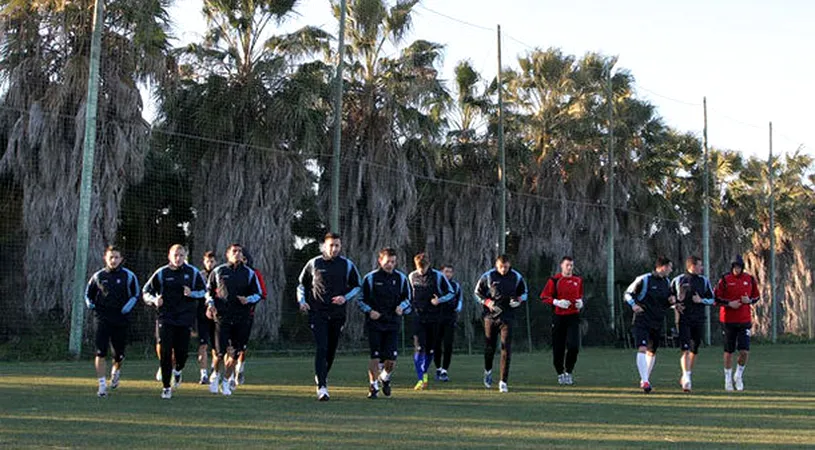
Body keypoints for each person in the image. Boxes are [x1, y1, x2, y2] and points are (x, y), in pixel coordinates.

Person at [297, 233, 362, 401]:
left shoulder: (347, 265)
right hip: (317, 312)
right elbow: (301, 284)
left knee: (331, 349)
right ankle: (322, 387)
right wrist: (302, 301)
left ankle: (322, 375)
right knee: (322, 346)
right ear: (324, 246)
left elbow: (357, 285)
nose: (334, 248)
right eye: (331, 245)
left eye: (337, 246)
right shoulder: (314, 263)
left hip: (337, 314)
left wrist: (344, 297)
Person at [143, 244, 207, 399]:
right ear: (169, 256)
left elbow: (204, 291)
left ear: (185, 256)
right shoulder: (161, 273)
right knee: (165, 352)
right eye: (175, 255)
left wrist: (192, 293)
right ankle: (166, 387)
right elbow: (146, 291)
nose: (178, 258)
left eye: (181, 255)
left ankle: (178, 370)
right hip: (165, 317)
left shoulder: (192, 272)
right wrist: (154, 300)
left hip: (184, 318)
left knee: (181, 354)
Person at [205, 243, 262, 396]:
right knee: (219, 353)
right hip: (222, 317)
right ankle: (215, 376)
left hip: (241, 318)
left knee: (235, 353)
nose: (237, 254)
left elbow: (259, 294)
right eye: (234, 251)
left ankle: (226, 380)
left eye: (240, 252)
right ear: (228, 254)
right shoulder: (218, 271)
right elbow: (208, 291)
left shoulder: (249, 273)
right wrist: (210, 304)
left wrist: (248, 299)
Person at [84, 246, 140, 397]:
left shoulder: (129, 276)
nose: (113, 260)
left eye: (116, 257)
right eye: (111, 257)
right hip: (102, 318)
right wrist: (90, 304)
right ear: (105, 258)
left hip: (121, 319)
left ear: (121, 259)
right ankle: (102, 385)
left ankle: (116, 369)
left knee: (119, 354)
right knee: (100, 352)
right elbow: (88, 294)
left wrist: (128, 306)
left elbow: (136, 293)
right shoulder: (98, 276)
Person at [358, 248, 411, 399]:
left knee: (391, 360)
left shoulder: (401, 279)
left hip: (392, 323)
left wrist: (402, 307)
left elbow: (408, 299)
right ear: (380, 261)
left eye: (393, 262)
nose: (390, 265)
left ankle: (385, 377)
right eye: (387, 261)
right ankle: (373, 386)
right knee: (375, 357)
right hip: (375, 324)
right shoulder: (370, 278)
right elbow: (360, 299)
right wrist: (370, 311)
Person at [474, 255, 528, 393]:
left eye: (505, 267)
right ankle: (488, 371)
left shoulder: (516, 277)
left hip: (508, 317)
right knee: (489, 348)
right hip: (490, 317)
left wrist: (519, 300)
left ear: (509, 265)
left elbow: (524, 293)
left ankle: (503, 381)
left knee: (506, 348)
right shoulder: (488, 276)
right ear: (496, 265)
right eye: (500, 267)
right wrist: (487, 302)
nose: (503, 269)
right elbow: (477, 293)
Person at [624, 256, 677, 394]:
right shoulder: (644, 279)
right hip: (642, 320)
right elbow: (628, 294)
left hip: (657, 321)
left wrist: (671, 301)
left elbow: (665, 301)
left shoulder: (667, 282)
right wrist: (634, 305)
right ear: (662, 267)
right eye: (670, 267)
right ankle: (645, 381)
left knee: (651, 351)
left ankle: (645, 378)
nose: (671, 270)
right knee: (642, 347)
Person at [408, 253, 454, 390]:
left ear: (429, 265)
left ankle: (425, 372)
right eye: (419, 268)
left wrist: (439, 300)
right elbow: (408, 294)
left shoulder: (438, 276)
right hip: (418, 317)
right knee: (419, 348)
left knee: (430, 349)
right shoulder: (412, 276)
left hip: (434, 318)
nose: (421, 270)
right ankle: (421, 378)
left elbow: (451, 292)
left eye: (424, 267)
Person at [714, 255, 760, 391]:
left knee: (744, 351)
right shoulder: (724, 280)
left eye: (739, 267)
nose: (737, 270)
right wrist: (729, 304)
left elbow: (756, 296)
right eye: (735, 267)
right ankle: (727, 379)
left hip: (744, 320)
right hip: (728, 321)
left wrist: (749, 301)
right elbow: (715, 299)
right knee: (729, 351)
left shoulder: (749, 279)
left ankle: (738, 375)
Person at [670, 255, 715, 392]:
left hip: (699, 319)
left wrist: (701, 300)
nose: (702, 268)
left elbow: (712, 299)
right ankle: (687, 378)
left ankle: (687, 373)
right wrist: (676, 305)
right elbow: (669, 299)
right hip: (683, 319)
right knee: (685, 348)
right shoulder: (678, 280)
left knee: (694, 349)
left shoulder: (704, 281)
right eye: (700, 265)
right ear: (692, 266)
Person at [540, 256, 584, 386]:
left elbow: (580, 295)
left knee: (574, 346)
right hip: (558, 317)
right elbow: (544, 297)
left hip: (573, 317)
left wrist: (581, 302)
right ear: (561, 266)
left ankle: (569, 372)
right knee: (558, 347)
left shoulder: (578, 280)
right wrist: (557, 302)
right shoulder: (554, 280)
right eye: (567, 265)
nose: (569, 268)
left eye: (571, 265)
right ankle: (560, 372)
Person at [232, 248, 266, 387]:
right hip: (228, 315)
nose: (241, 261)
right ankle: (226, 374)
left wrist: (248, 299)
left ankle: (239, 369)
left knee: (241, 346)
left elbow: (262, 293)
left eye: (244, 259)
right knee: (228, 345)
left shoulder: (254, 274)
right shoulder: (227, 272)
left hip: (246, 315)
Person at [434, 264, 462, 382]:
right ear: (441, 272)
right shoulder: (436, 285)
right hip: (436, 318)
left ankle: (445, 370)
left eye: (450, 272)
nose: (448, 274)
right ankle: (438, 368)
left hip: (450, 318)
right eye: (446, 271)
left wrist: (458, 307)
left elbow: (459, 299)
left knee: (448, 344)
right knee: (436, 345)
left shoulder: (455, 286)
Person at [197, 251, 218, 385]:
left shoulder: (219, 274)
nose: (209, 264)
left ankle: (214, 370)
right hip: (202, 314)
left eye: (212, 261)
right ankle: (203, 374)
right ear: (203, 262)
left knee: (217, 346)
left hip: (216, 314)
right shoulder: (199, 276)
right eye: (207, 261)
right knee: (203, 344)